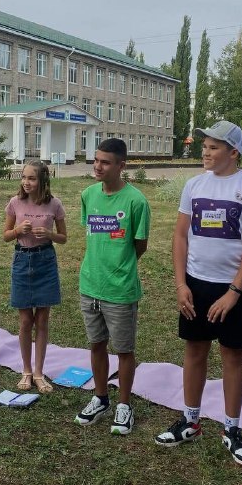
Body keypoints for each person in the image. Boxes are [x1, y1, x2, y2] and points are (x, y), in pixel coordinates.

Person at [154, 121, 242, 468]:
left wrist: (234, 292)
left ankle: (231, 429)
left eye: (213, 147)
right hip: (196, 284)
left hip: (235, 289)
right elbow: (180, 236)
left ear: (233, 152)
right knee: (194, 350)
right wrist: (181, 284)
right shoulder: (194, 185)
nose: (204, 152)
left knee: (233, 356)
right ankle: (190, 420)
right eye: (204, 146)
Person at [74, 138, 150, 436]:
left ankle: (124, 404)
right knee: (96, 344)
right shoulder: (88, 195)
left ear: (121, 166)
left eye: (105, 162)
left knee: (124, 350)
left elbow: (139, 245)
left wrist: (120, 267)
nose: (97, 166)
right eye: (96, 160)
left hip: (120, 290)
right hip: (90, 285)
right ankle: (101, 397)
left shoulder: (136, 202)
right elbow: (93, 236)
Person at [2, 160, 67, 394]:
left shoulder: (54, 204)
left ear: (42, 180)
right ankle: (26, 371)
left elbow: (63, 238)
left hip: (45, 262)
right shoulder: (15, 202)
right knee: (25, 322)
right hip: (22, 261)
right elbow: (6, 235)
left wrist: (49, 233)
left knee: (41, 321)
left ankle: (39, 373)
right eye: (23, 177)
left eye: (31, 178)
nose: (26, 182)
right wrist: (18, 231)